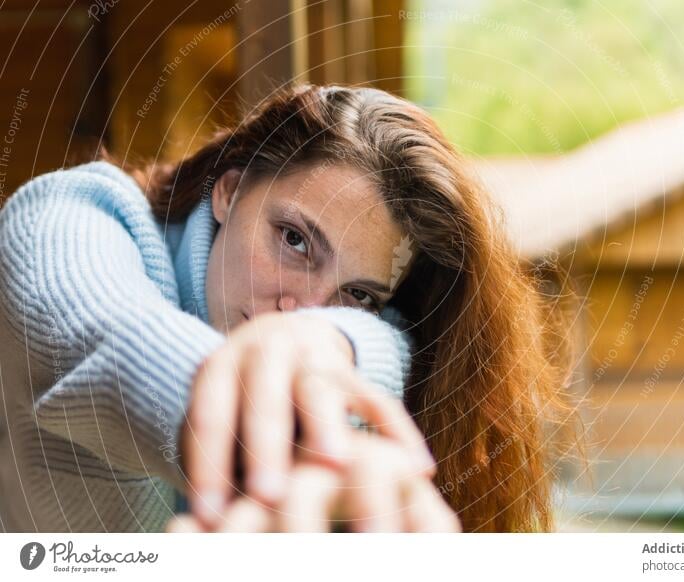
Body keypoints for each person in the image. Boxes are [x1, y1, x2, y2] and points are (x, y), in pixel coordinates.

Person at [0, 83, 577, 533]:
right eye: (295, 241)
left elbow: (399, 339)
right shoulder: (69, 218)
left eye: (357, 296)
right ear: (229, 190)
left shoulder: (374, 338)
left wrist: (332, 343)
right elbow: (111, 339)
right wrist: (304, 438)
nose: (302, 309)